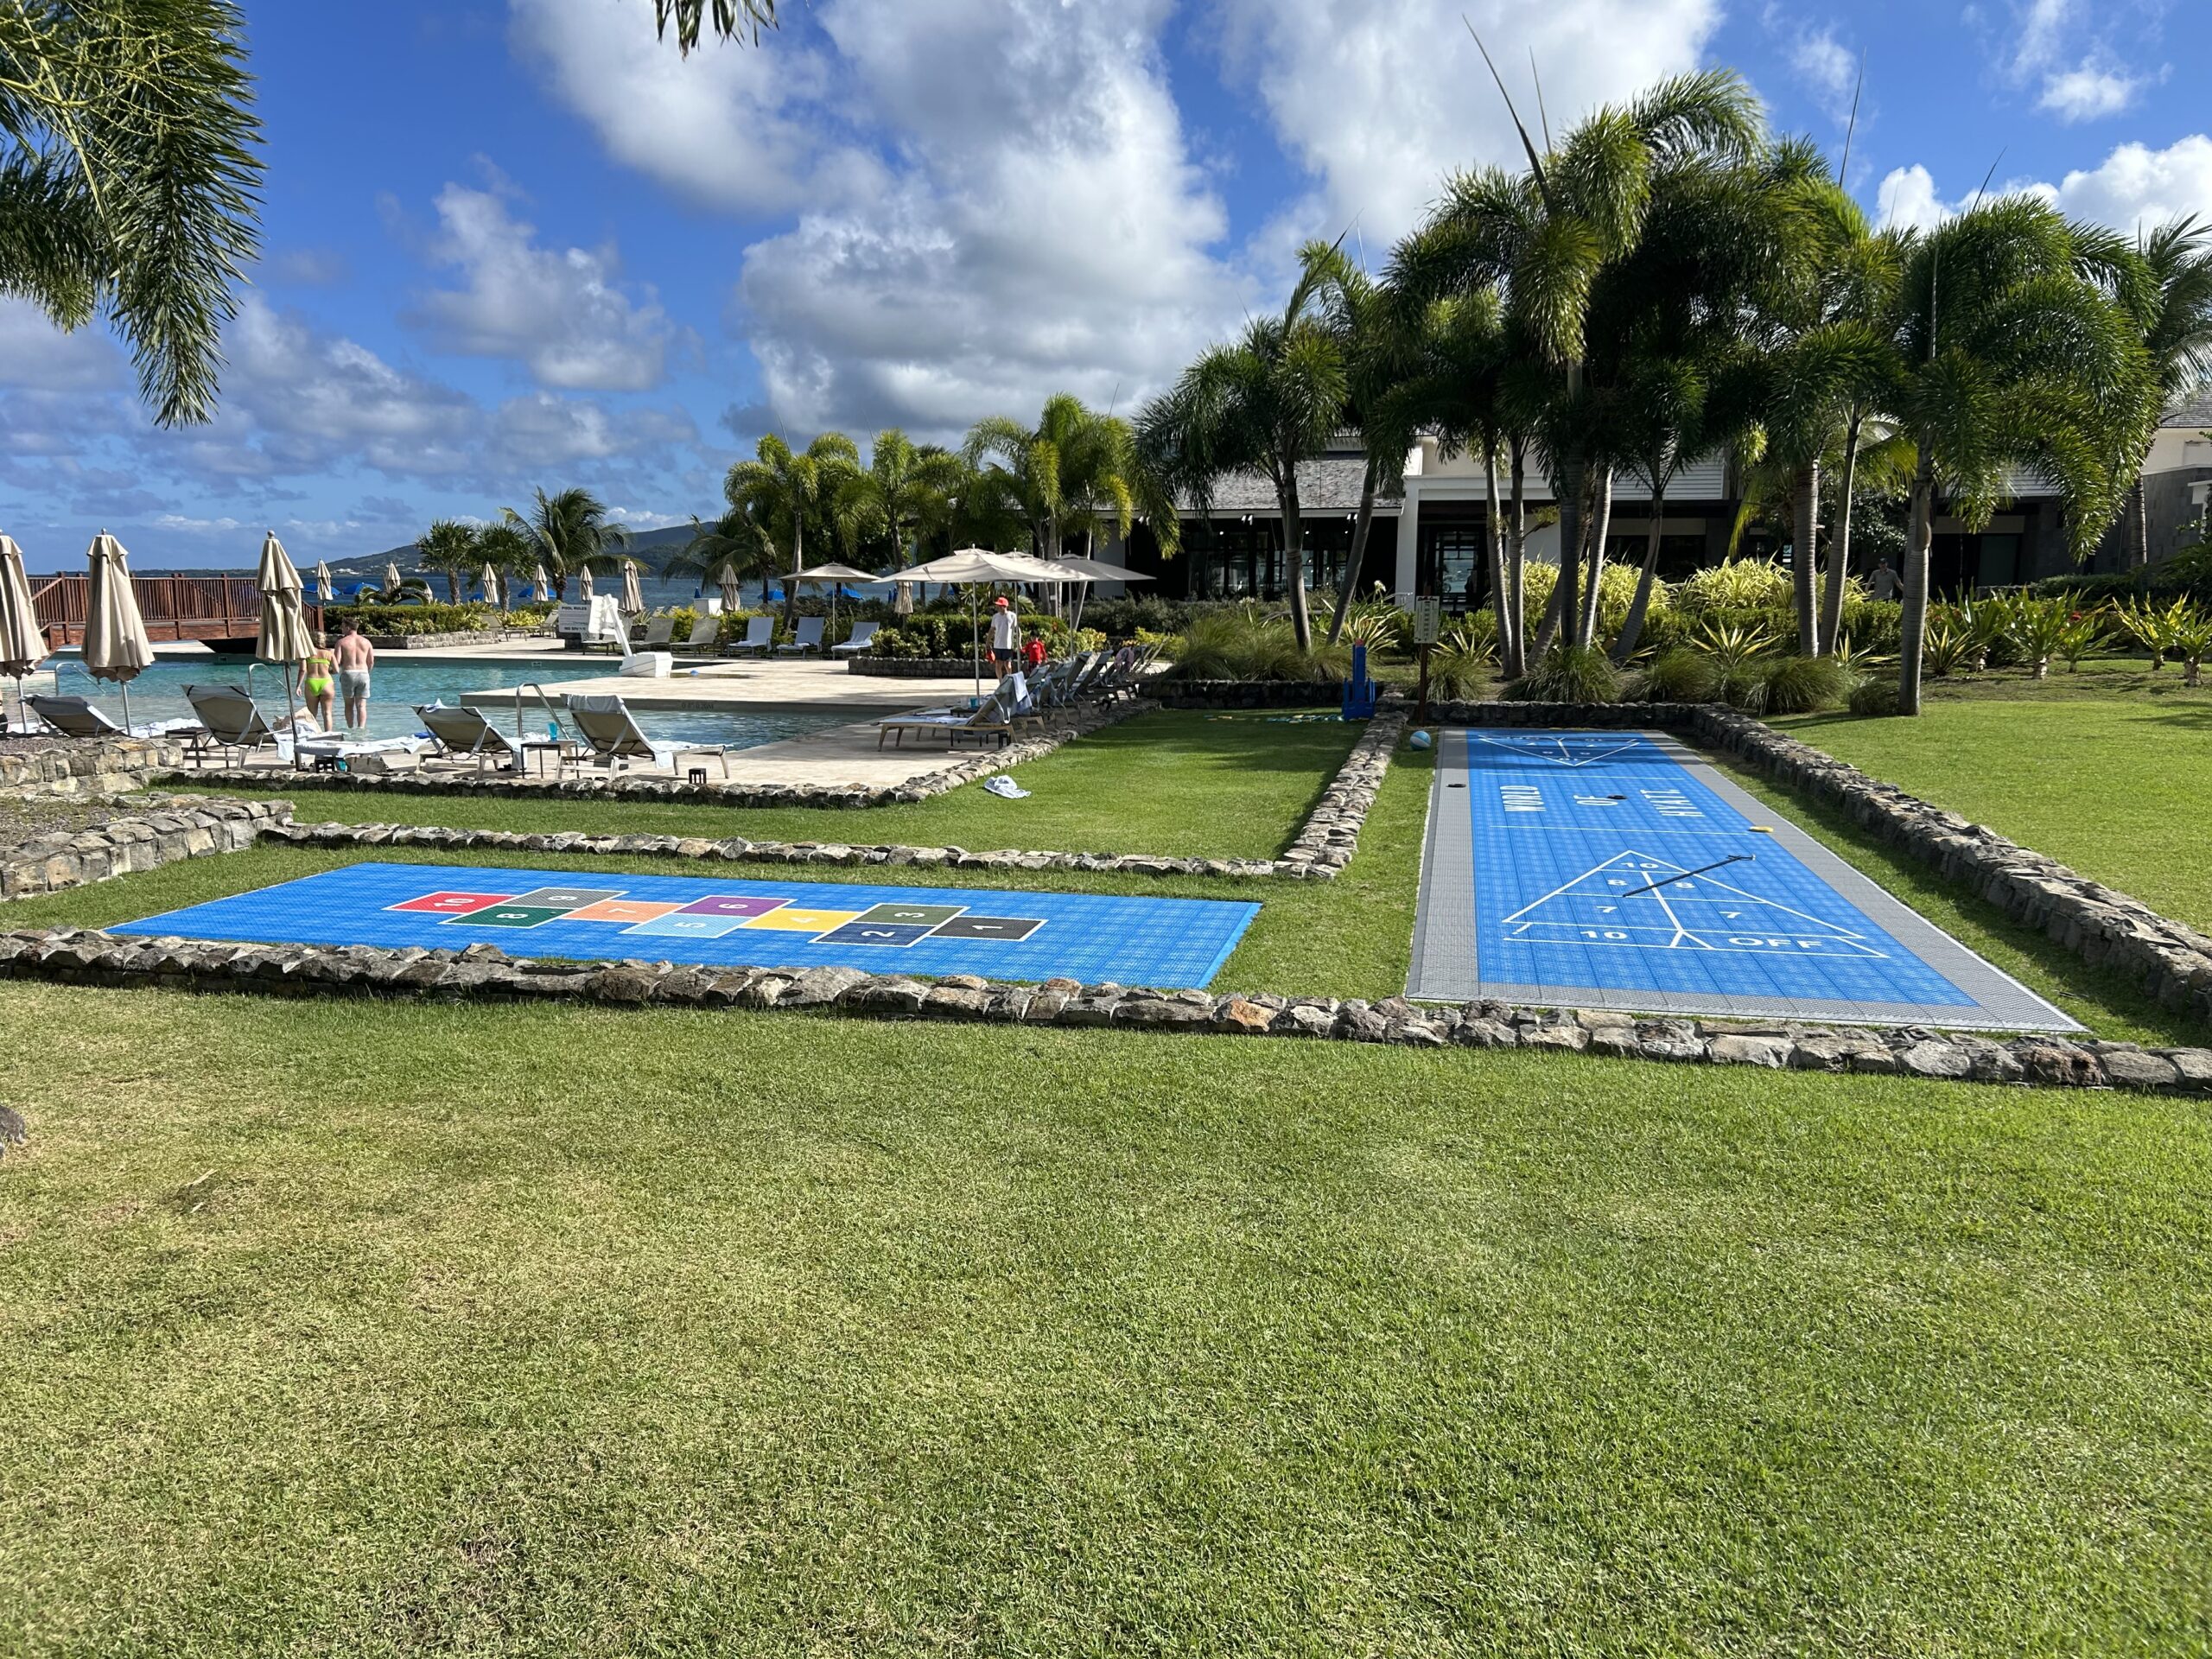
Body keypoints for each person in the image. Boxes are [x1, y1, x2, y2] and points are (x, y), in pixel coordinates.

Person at [331, 618, 375, 731]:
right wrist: (366, 672)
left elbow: (337, 661)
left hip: (348, 673)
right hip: (364, 673)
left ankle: (350, 728)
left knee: (349, 705)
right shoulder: (366, 642)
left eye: (343, 626)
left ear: (348, 627)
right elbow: (371, 662)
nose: (341, 628)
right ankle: (361, 729)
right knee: (361, 705)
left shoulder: (341, 642)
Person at [301, 635, 336, 733]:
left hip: (311, 682)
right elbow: (336, 670)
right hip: (327, 683)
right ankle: (328, 735)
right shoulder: (329, 653)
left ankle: (312, 735)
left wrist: (298, 686)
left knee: (311, 714)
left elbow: (303, 670)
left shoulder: (307, 653)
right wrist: (327, 671)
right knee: (327, 713)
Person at [988, 594, 1020, 680]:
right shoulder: (995, 617)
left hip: (1007, 645)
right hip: (997, 644)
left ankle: (1010, 680)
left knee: (1008, 664)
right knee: (998, 664)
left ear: (1004, 606)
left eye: (999, 605)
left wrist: (1019, 642)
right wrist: (988, 642)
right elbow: (992, 630)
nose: (997, 607)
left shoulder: (1012, 616)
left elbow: (1017, 629)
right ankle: (1001, 682)